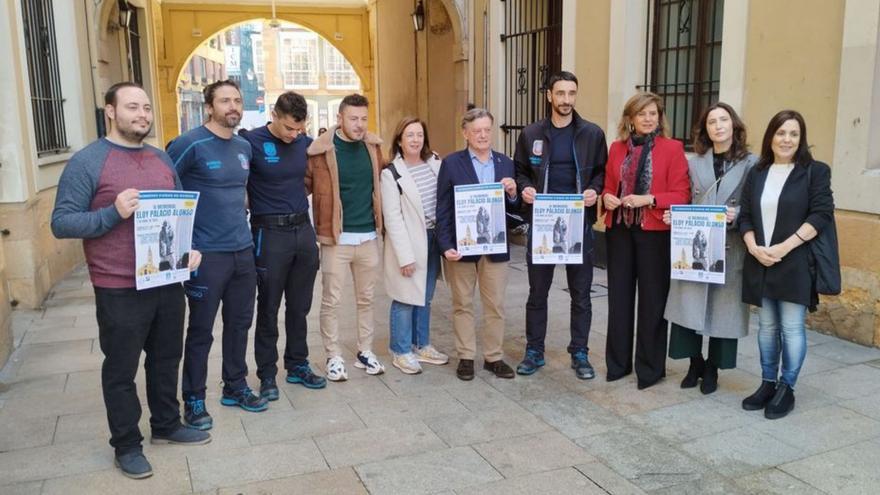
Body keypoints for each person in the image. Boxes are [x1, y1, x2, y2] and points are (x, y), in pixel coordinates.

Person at [51, 82, 210, 479]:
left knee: (166, 358)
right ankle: (126, 444)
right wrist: (112, 213)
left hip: (167, 280)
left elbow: (175, 215)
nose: (142, 114)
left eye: (146, 108)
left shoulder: (159, 159)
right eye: (132, 107)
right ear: (110, 111)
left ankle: (166, 425)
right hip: (119, 286)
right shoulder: (88, 162)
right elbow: (62, 222)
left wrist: (187, 251)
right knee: (121, 369)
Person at [167, 80, 267, 430]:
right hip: (205, 257)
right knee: (200, 330)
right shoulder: (189, 144)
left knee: (240, 324)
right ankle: (193, 398)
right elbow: (165, 190)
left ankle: (235, 386)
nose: (232, 107)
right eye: (225, 101)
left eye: (237, 100)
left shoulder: (243, 146)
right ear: (210, 107)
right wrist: (182, 247)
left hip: (242, 251)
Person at [738, 110, 834, 419]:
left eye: (793, 134)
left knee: (792, 328)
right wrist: (754, 247)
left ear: (801, 138)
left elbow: (821, 214)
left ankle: (787, 388)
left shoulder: (815, 171)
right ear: (771, 137)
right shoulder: (758, 171)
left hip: (794, 261)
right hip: (761, 259)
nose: (787, 139)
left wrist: (784, 247)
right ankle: (768, 383)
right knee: (766, 327)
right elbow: (746, 214)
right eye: (781, 133)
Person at [513, 71, 608, 379]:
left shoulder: (592, 134)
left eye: (572, 93)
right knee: (537, 293)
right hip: (542, 223)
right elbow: (521, 171)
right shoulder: (531, 134)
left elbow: (602, 174)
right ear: (549, 96)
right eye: (561, 93)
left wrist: (595, 190)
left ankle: (580, 352)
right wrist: (525, 187)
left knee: (581, 294)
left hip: (578, 223)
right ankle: (534, 351)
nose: (567, 100)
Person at [664, 102, 757, 395]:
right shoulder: (694, 162)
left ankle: (714, 368)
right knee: (687, 305)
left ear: (734, 125)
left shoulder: (752, 163)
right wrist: (674, 215)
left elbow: (756, 205)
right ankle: (695, 363)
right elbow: (686, 199)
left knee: (724, 311)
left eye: (723, 120)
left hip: (731, 248)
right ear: (705, 129)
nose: (718, 126)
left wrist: (738, 212)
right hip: (695, 247)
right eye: (711, 122)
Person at [238, 91, 326, 401]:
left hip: (302, 230)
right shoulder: (251, 142)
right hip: (269, 233)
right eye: (289, 128)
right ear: (275, 115)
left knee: (300, 306)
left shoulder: (305, 142)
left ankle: (297, 364)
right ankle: (266, 374)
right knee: (269, 306)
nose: (294, 135)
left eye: (299, 129)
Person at [602, 91, 690, 390]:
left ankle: (650, 369)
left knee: (653, 303)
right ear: (630, 119)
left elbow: (682, 194)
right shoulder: (615, 149)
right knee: (619, 301)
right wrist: (608, 198)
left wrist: (649, 199)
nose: (649, 119)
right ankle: (618, 364)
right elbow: (607, 187)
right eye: (642, 114)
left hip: (655, 235)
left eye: (653, 113)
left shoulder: (673, 149)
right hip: (619, 232)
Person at [436, 108, 521, 381]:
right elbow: (443, 208)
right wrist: (445, 244)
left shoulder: (505, 163)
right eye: (476, 131)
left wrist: (512, 193)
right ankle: (466, 356)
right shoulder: (451, 164)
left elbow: (516, 209)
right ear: (465, 133)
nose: (483, 135)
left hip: (495, 247)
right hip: (462, 248)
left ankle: (494, 357)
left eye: (487, 130)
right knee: (462, 303)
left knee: (495, 304)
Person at [306, 93, 386, 381]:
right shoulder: (321, 150)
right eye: (353, 118)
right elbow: (301, 186)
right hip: (336, 239)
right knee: (332, 300)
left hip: (368, 238)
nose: (360, 124)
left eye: (364, 118)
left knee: (366, 299)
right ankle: (333, 355)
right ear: (339, 118)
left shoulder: (374, 148)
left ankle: (365, 350)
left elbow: (387, 181)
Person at [381, 117, 449, 374]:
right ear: (399, 139)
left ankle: (422, 345)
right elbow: (393, 218)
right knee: (405, 296)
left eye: (419, 134)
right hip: (409, 242)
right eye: (409, 135)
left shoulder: (435, 164)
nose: (415, 139)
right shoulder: (392, 173)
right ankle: (400, 349)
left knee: (425, 296)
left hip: (433, 239)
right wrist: (405, 257)